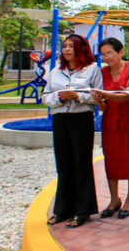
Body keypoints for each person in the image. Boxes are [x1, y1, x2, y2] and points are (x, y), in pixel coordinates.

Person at [43, 34, 102, 228]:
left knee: (81, 163)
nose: (68, 50)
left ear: (81, 49)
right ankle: (62, 209)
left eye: (72, 46)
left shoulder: (92, 70)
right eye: (65, 46)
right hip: (61, 119)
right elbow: (45, 96)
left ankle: (82, 210)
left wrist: (78, 96)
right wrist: (59, 97)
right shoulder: (56, 72)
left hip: (81, 119)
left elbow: (98, 96)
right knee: (63, 164)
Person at [92, 38, 129, 220]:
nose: (107, 57)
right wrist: (99, 100)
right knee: (112, 160)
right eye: (103, 54)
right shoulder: (102, 73)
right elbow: (103, 106)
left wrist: (108, 95)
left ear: (121, 52)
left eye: (110, 53)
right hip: (111, 122)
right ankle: (114, 198)